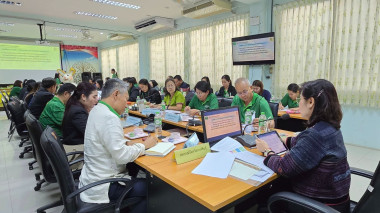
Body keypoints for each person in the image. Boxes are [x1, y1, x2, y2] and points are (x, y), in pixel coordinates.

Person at [256, 79, 350, 212]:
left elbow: (284, 168)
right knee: (275, 186)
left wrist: (266, 151)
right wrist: (284, 141)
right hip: (335, 199)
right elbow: (304, 144)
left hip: (320, 206)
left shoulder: (315, 135)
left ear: (311, 102)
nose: (299, 103)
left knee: (265, 199)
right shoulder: (329, 127)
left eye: (301, 99)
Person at [79, 79, 157, 213]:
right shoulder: (109, 117)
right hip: (105, 183)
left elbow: (106, 141)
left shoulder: (96, 109)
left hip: (92, 177)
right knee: (154, 189)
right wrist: (144, 145)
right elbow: (121, 156)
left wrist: (126, 143)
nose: (126, 105)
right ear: (116, 94)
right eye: (125, 99)